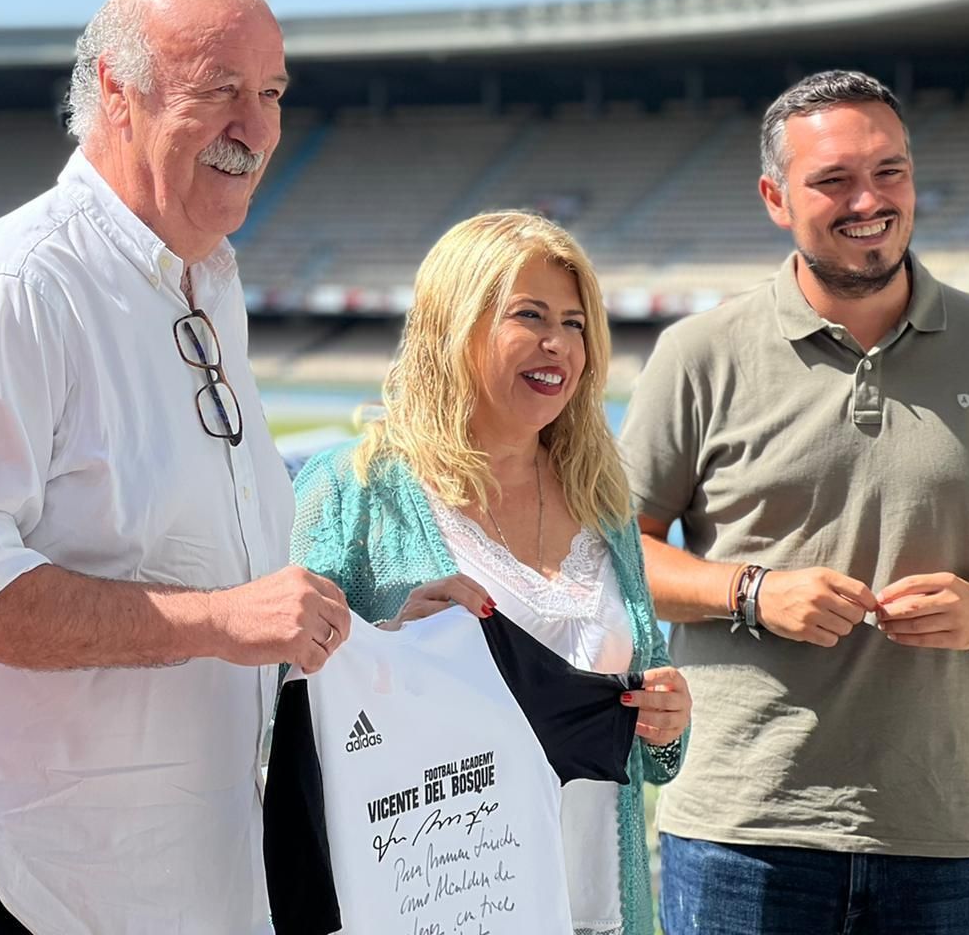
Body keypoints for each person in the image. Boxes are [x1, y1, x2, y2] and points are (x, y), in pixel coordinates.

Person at [0, 0, 351, 935]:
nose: (254, 127)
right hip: (17, 883)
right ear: (117, 96)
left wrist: (380, 636)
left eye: (271, 93)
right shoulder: (18, 286)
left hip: (165, 879)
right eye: (218, 92)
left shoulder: (208, 284)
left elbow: (225, 579)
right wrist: (220, 621)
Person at [619, 69, 969, 935]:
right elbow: (616, 552)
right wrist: (753, 592)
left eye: (890, 171)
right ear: (775, 197)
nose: (868, 199)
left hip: (950, 829)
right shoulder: (697, 355)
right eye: (832, 179)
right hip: (742, 830)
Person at [291, 210, 691, 935]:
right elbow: (273, 701)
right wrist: (386, 637)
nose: (558, 343)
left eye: (575, 323)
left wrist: (667, 720)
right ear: (456, 325)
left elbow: (652, 753)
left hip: (597, 912)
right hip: (435, 903)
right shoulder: (352, 491)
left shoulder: (603, 503)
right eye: (529, 315)